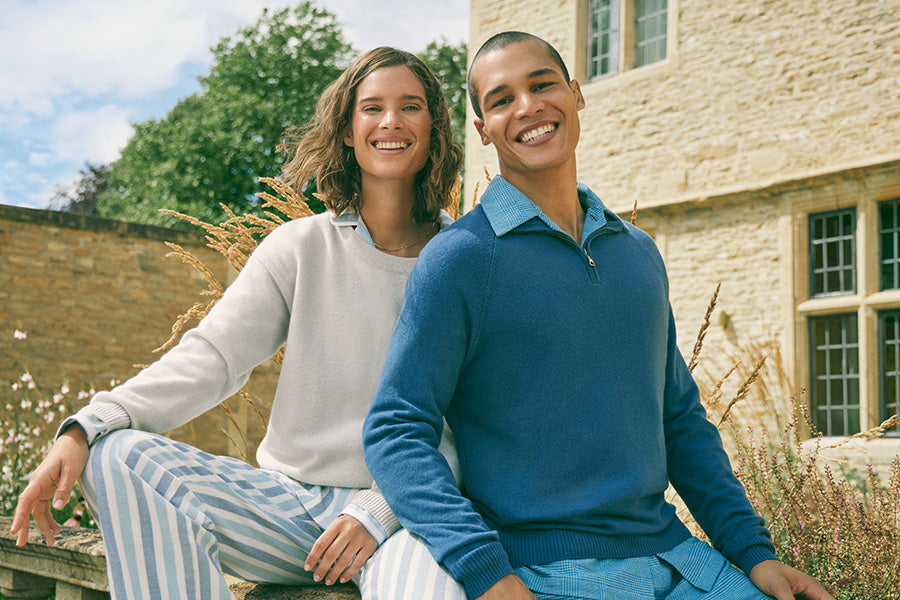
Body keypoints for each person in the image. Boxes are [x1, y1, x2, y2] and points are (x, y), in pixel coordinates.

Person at [363, 32, 836, 600]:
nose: (529, 107)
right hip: (548, 574)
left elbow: (679, 420)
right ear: (483, 128)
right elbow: (396, 430)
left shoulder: (636, 251)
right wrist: (486, 572)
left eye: (542, 85)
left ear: (576, 95)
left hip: (681, 563)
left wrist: (754, 554)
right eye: (501, 99)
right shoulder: (461, 259)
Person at [12, 46, 467, 600]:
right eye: (371, 107)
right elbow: (214, 356)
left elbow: (473, 424)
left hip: (402, 510)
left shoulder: (466, 259)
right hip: (285, 507)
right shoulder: (301, 246)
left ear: (435, 127)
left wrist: (378, 511)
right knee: (118, 456)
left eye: (410, 106)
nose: (390, 121)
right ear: (347, 131)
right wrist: (88, 424)